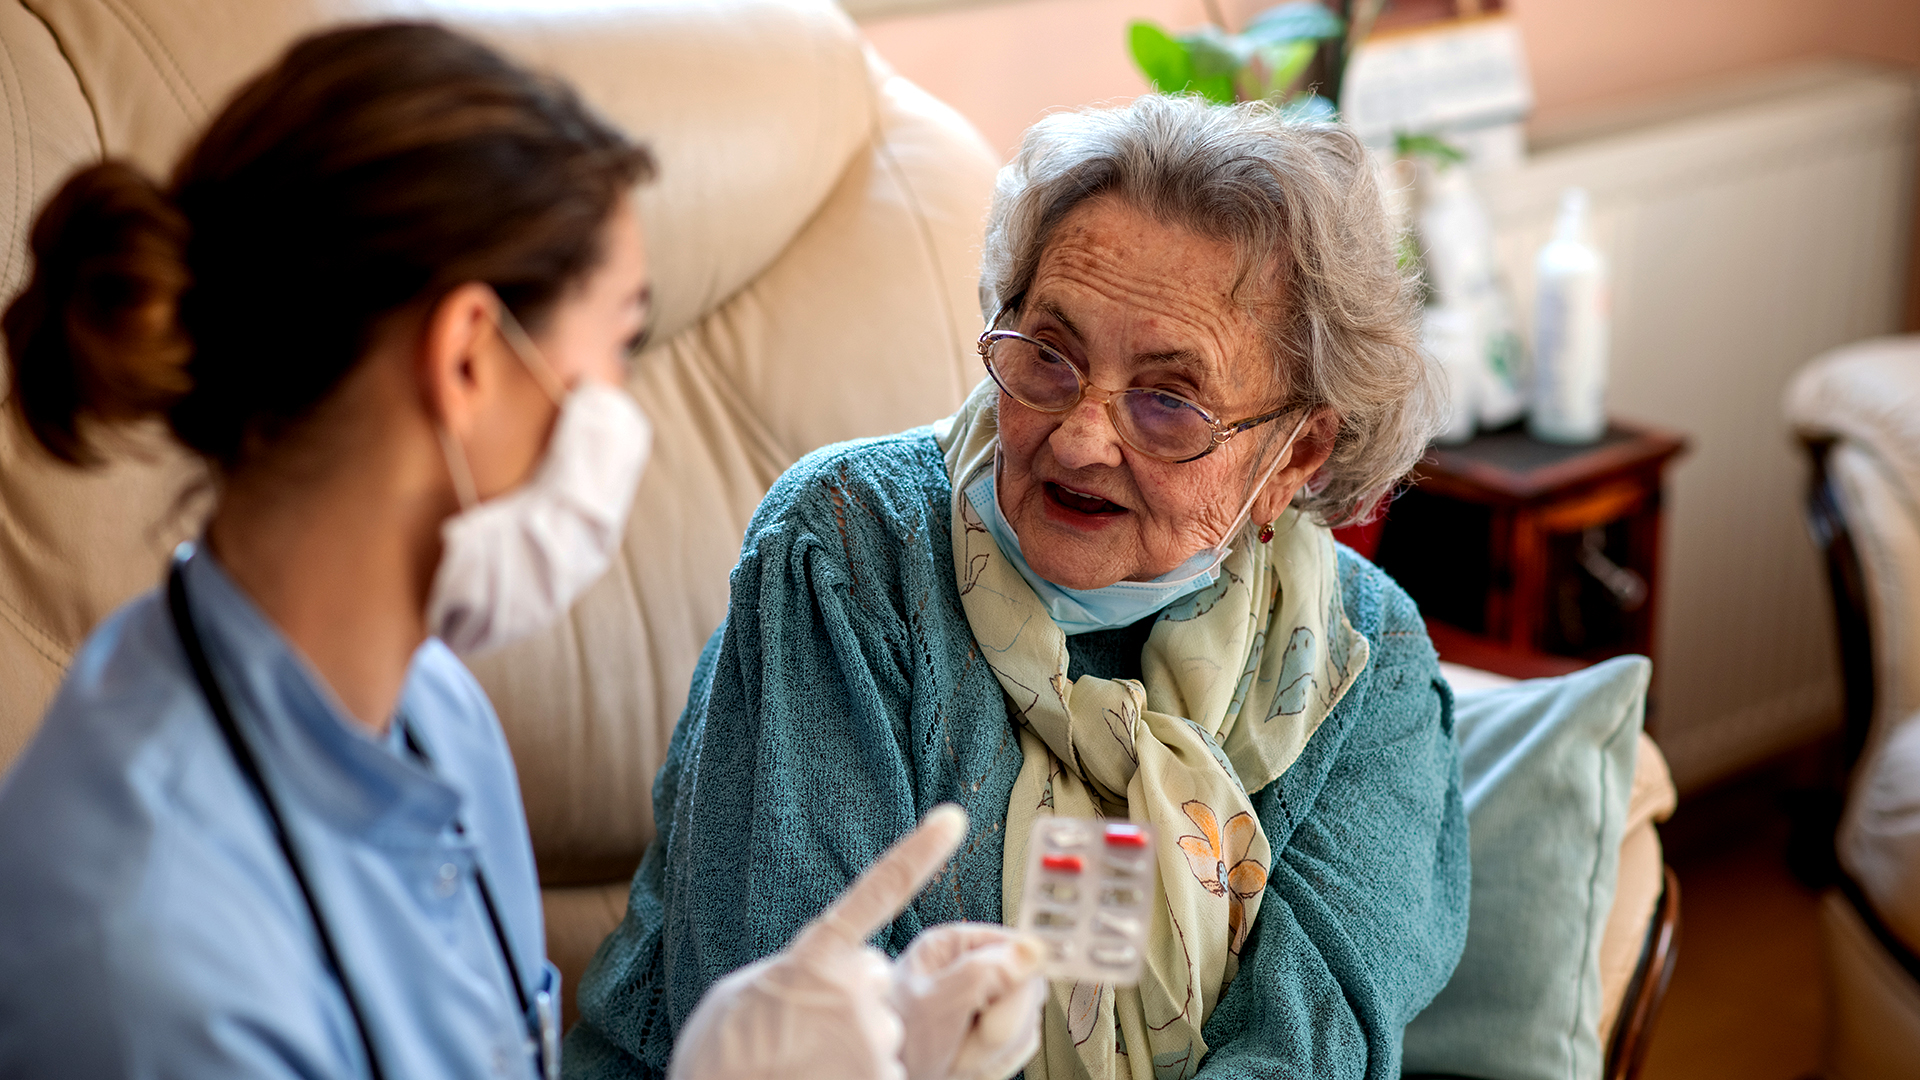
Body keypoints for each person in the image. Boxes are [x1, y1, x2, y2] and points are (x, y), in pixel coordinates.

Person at [0, 22, 1040, 1080]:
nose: (625, 411)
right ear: (466, 362)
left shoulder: (435, 717)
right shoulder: (150, 956)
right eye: (621, 342)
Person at [571, 94, 1472, 1080]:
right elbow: (787, 1011)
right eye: (1049, 357)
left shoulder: (1360, 662)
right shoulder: (849, 547)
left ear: (1297, 452)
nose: (1080, 439)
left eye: (1167, 400)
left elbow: (1308, 1052)